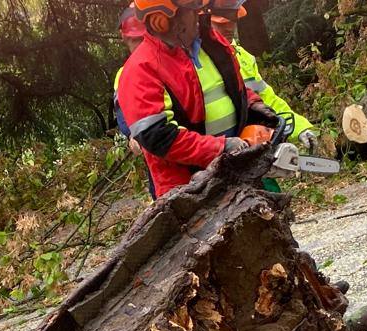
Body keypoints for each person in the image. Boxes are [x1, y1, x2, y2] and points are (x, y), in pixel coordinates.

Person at [117, 0, 280, 199]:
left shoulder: (211, 44)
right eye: (191, 11)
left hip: (237, 169)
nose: (198, 15)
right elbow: (159, 137)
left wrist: (253, 105)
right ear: (161, 21)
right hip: (189, 189)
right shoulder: (141, 69)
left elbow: (231, 87)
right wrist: (220, 147)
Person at [209, 0, 318, 151]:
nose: (229, 27)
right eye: (222, 23)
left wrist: (300, 128)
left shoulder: (244, 59)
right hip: (210, 153)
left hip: (250, 148)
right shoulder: (193, 62)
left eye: (232, 21)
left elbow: (268, 101)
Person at [114, 6, 157, 198]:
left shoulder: (164, 63)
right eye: (135, 40)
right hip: (152, 146)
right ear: (126, 39)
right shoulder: (123, 75)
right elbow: (122, 112)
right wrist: (133, 134)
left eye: (142, 39)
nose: (139, 44)